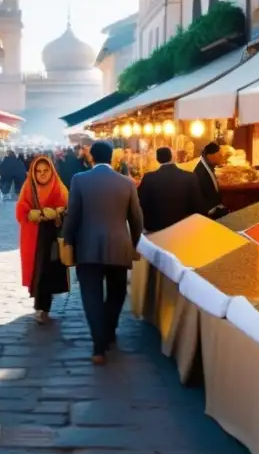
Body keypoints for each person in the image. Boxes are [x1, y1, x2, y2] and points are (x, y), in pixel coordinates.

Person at [62, 141, 144, 365]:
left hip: (87, 247)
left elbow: (73, 214)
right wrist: (136, 244)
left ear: (91, 158)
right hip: (119, 246)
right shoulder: (127, 183)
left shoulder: (79, 180)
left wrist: (67, 239)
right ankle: (109, 330)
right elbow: (136, 219)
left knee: (91, 297)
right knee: (117, 293)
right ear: (113, 158)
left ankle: (99, 345)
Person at [17, 156, 70, 324]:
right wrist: (34, 214)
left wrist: (57, 212)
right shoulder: (28, 188)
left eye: (45, 171)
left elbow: (68, 208)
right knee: (37, 270)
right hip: (33, 236)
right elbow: (20, 210)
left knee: (49, 270)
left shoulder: (59, 187)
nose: (42, 174)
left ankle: (43, 307)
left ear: (51, 170)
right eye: (38, 171)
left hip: (53, 236)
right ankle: (40, 307)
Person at [138, 146, 206, 233]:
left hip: (156, 230)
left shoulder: (148, 178)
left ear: (157, 159)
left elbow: (141, 205)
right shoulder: (190, 177)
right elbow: (198, 207)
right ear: (172, 158)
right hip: (184, 229)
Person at [195, 141, 227, 218]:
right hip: (207, 215)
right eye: (219, 154)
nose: (221, 157)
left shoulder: (208, 166)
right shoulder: (200, 172)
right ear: (210, 156)